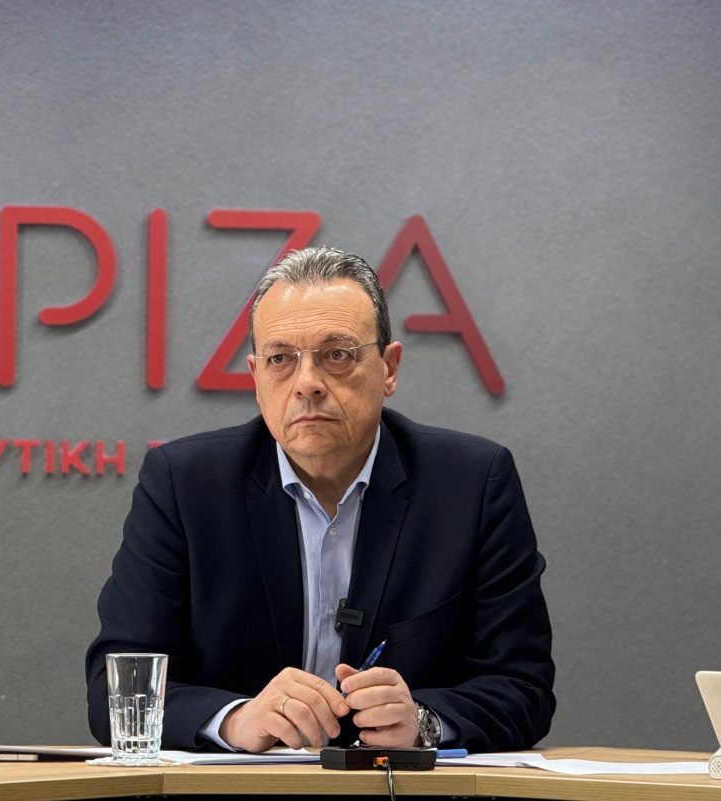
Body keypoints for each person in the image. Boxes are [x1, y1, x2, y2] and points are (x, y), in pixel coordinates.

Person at [86, 246, 555, 753]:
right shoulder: (185, 484)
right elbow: (118, 687)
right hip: (233, 794)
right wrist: (237, 720)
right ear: (256, 377)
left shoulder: (471, 484)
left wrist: (424, 722)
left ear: (389, 368)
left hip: (401, 793)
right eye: (280, 359)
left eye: (337, 355)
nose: (307, 384)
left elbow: (522, 687)